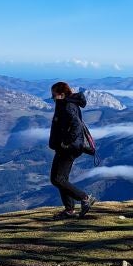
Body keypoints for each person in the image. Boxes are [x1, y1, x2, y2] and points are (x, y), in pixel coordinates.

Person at [48, 81, 96, 218]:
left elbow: (76, 125)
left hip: (68, 149)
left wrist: (65, 143)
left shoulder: (68, 106)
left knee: (57, 179)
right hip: (67, 148)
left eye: (54, 95)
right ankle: (69, 210)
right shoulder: (64, 104)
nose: (52, 98)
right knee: (61, 179)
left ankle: (84, 198)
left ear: (62, 94)